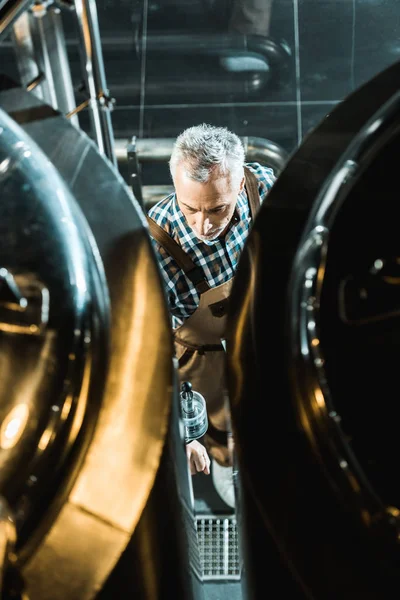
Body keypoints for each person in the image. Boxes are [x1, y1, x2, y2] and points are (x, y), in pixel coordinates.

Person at [147, 123, 275, 507]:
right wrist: (184, 435)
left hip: (255, 325)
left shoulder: (260, 186)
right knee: (218, 420)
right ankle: (226, 460)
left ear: (238, 187)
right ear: (175, 187)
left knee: (268, 400)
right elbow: (148, 355)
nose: (204, 225)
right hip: (200, 356)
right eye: (190, 208)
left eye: (217, 208)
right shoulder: (158, 246)